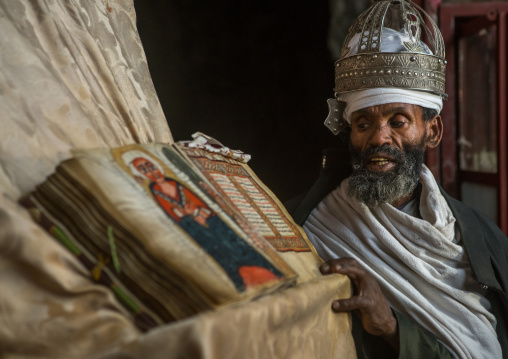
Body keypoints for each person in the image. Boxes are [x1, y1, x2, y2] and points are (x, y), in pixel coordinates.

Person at [286, 1, 508, 358]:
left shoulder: (483, 238)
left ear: (432, 130)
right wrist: (389, 328)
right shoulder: (309, 226)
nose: (379, 138)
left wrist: (390, 325)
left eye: (398, 121)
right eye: (363, 124)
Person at [125, 153, 283, 291]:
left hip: (214, 223)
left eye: (150, 165)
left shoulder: (175, 183)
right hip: (196, 231)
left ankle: (272, 276)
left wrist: (196, 212)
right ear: (142, 175)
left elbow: (200, 202)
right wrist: (186, 214)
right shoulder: (155, 190)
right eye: (144, 169)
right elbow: (171, 214)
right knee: (225, 260)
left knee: (241, 250)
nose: (151, 171)